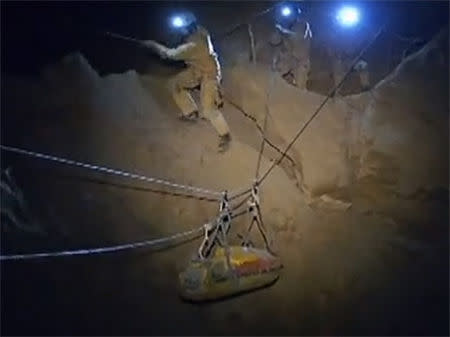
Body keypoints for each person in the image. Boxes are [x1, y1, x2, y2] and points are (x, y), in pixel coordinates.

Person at [143, 12, 232, 152]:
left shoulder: (193, 44)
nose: (180, 30)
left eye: (182, 28)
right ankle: (190, 112)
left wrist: (153, 45)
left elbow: (169, 54)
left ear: (189, 27)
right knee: (175, 84)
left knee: (208, 110)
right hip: (197, 69)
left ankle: (225, 135)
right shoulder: (200, 30)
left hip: (210, 73)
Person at [269, 6, 312, 89]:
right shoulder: (288, 26)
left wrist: (282, 30)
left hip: (301, 61)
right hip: (289, 59)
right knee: (275, 75)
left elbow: (298, 36)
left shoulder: (303, 25)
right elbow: (275, 42)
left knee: (300, 87)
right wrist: (276, 33)